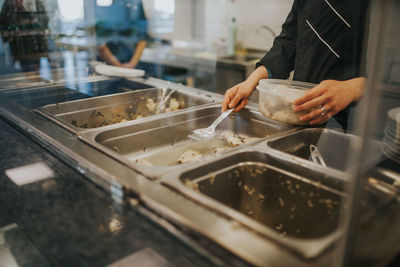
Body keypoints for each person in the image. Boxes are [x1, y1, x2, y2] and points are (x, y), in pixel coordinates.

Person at [222, 0, 370, 130]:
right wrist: (251, 81)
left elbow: (388, 70)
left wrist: (352, 89)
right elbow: (288, 43)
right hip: (302, 116)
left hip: (353, 124)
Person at [0, 0, 49, 72]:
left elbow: (44, 17)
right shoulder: (9, 2)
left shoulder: (35, 1)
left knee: (35, 68)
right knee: (27, 69)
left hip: (36, 43)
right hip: (20, 46)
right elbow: (3, 22)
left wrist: (39, 25)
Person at [97, 0, 147, 69]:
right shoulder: (104, 3)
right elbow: (99, 42)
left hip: (131, 65)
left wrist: (132, 64)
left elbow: (143, 38)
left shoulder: (136, 3)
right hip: (109, 65)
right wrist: (118, 65)